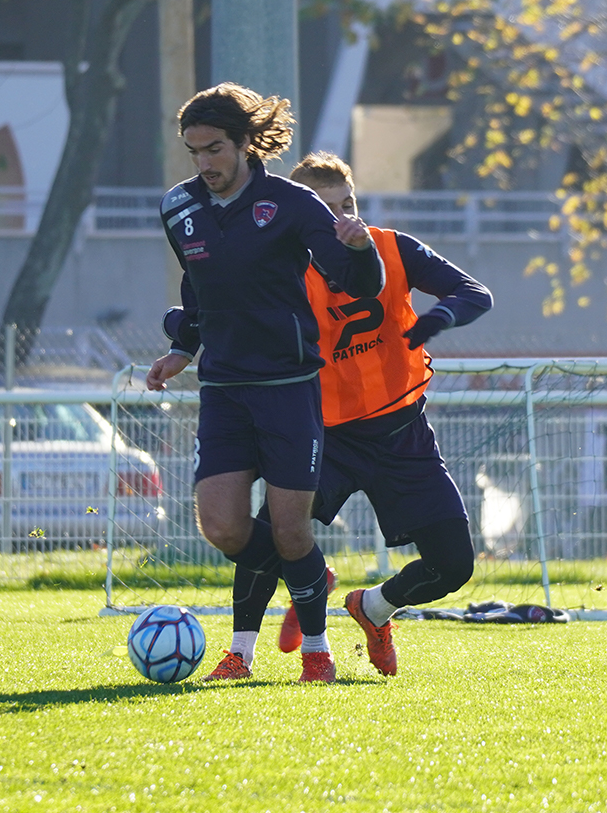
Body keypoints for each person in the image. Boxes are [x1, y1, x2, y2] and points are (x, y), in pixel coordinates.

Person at [169, 151, 492, 677]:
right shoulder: (277, 268)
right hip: (322, 432)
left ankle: (373, 608)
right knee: (275, 532)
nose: (343, 221)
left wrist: (436, 321)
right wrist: (183, 344)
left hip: (402, 431)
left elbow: (474, 292)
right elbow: (210, 306)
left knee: (453, 565)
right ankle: (239, 653)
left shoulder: (389, 247)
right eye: (328, 210)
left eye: (349, 205)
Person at [146, 84, 383, 683]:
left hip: (289, 385)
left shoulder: (295, 204)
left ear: (248, 144)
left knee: (289, 527)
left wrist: (361, 253)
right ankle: (308, 577)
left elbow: (358, 284)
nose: (205, 162)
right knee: (222, 526)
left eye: (216, 148)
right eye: (194, 150)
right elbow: (197, 288)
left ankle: (314, 650)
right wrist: (182, 348)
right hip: (223, 389)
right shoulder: (179, 207)